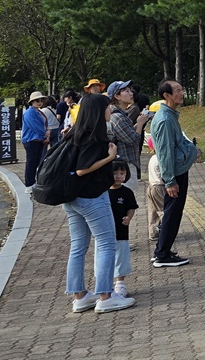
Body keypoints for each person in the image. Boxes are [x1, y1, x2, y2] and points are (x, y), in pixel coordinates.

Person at [64, 93, 135, 314]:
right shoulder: (96, 137)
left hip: (71, 197)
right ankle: (105, 296)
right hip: (92, 197)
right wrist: (109, 157)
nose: (110, 111)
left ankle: (80, 296)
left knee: (78, 246)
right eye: (108, 107)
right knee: (106, 243)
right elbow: (82, 169)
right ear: (98, 110)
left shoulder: (73, 133)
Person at [151, 80, 198, 268]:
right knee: (172, 213)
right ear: (167, 95)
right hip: (174, 174)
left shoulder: (169, 116)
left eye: (182, 89)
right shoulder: (164, 119)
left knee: (173, 212)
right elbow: (164, 153)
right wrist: (170, 181)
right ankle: (162, 255)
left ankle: (162, 251)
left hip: (177, 172)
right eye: (177, 91)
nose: (182, 93)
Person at [107, 80, 148, 193]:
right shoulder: (118, 117)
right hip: (123, 166)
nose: (131, 94)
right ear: (117, 96)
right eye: (126, 91)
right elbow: (133, 140)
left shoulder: (119, 115)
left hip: (122, 165)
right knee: (126, 202)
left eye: (130, 90)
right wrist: (140, 124)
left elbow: (126, 135)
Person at [108, 161, 138, 298]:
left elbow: (131, 207)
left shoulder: (127, 192)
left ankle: (120, 284)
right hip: (105, 231)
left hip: (121, 232)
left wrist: (128, 217)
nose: (118, 176)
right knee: (104, 256)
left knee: (121, 257)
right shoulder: (102, 192)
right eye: (115, 173)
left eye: (122, 173)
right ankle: (106, 284)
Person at [22, 91, 51, 189]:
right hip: (31, 140)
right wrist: (45, 133)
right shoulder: (29, 113)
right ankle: (29, 184)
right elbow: (35, 126)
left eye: (41, 100)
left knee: (36, 162)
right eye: (37, 100)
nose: (40, 102)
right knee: (31, 163)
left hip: (38, 140)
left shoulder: (39, 112)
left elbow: (43, 125)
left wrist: (46, 133)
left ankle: (33, 182)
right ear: (32, 102)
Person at [144, 134, 164, 243]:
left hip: (150, 186)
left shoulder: (152, 158)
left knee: (152, 212)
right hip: (159, 187)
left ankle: (153, 233)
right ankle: (166, 232)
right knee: (163, 210)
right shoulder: (161, 158)